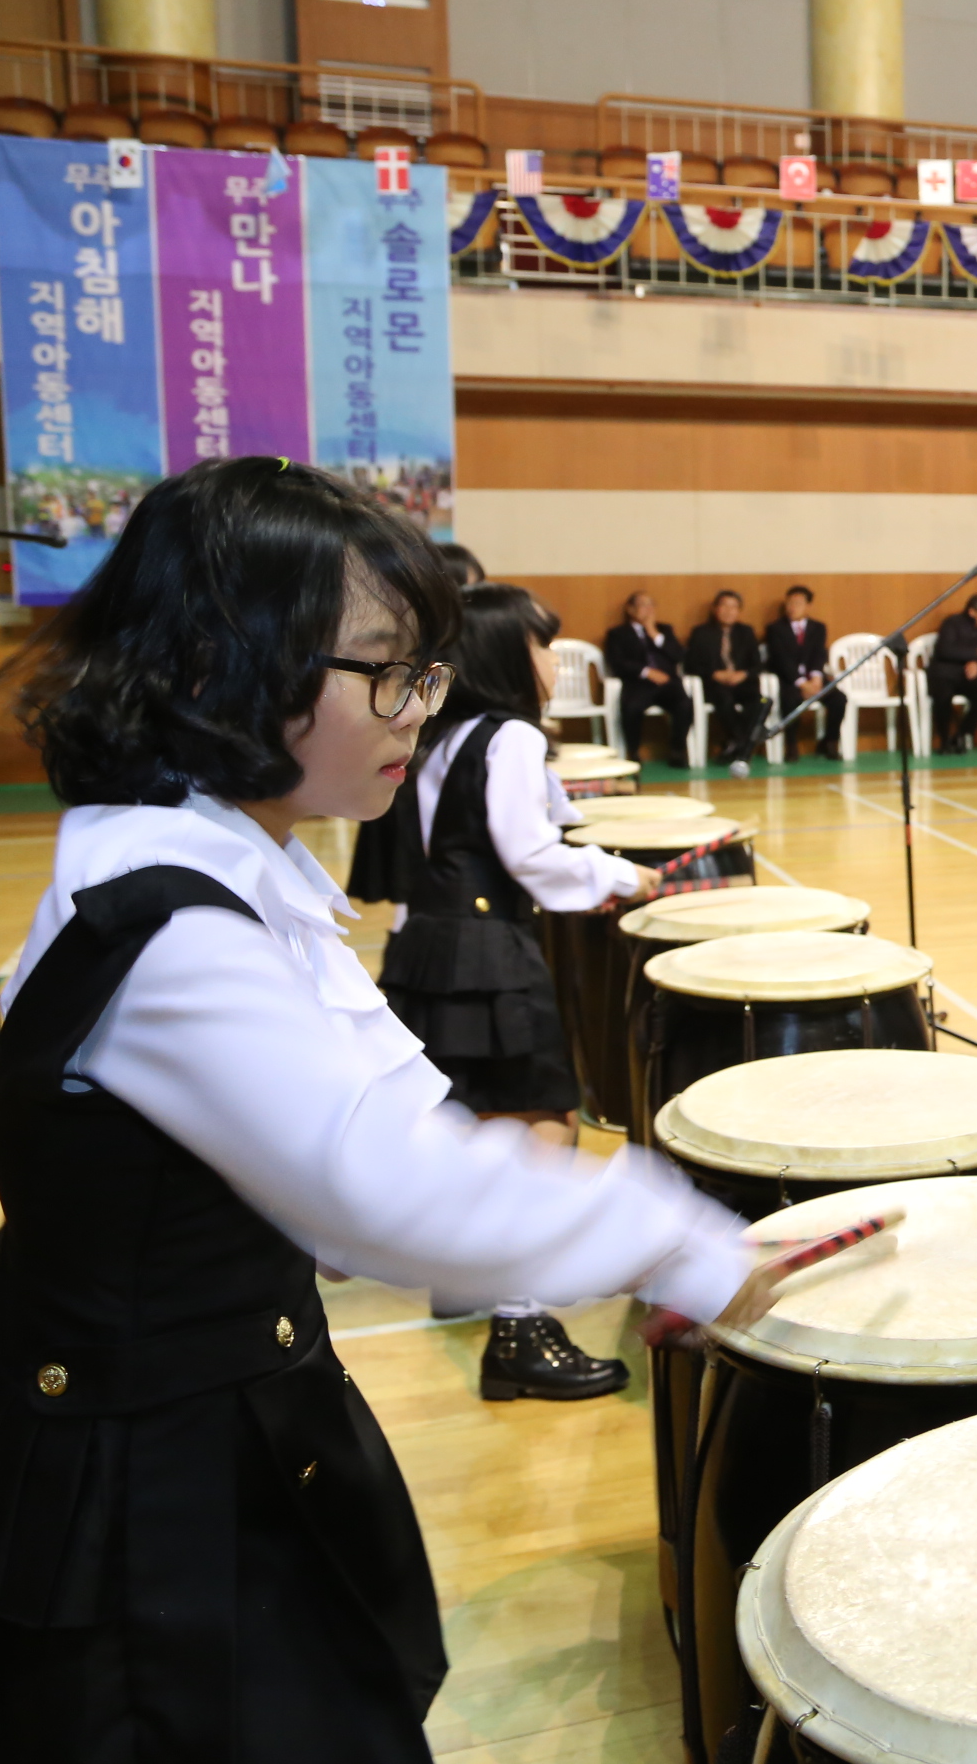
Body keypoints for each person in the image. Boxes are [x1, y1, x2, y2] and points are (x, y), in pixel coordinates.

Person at [0, 458, 771, 1756]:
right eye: (386, 671)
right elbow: (386, 1193)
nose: (416, 709)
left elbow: (400, 1107)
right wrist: (692, 1247)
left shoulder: (227, 862)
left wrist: (606, 1225)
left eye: (426, 671)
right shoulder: (168, 923)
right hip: (135, 1474)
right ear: (215, 664)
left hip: (216, 1403)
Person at [379, 581, 661, 1400]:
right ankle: (520, 1327)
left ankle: (467, 1279)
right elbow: (529, 853)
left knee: (473, 1122)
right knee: (542, 1128)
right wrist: (620, 875)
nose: (550, 662)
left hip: (427, 946)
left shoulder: (440, 732)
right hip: (488, 951)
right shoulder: (508, 737)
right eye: (541, 644)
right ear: (510, 652)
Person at [602, 589, 693, 768]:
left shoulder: (664, 630)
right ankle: (634, 752)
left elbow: (678, 656)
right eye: (643, 605)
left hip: (667, 684)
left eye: (651, 605)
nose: (648, 609)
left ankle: (677, 751)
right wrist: (646, 672)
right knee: (631, 707)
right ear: (630, 609)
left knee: (684, 705)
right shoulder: (618, 634)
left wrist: (653, 633)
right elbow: (617, 662)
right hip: (638, 683)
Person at [764, 584, 844, 761]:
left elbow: (819, 654)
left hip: (814, 678)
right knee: (789, 699)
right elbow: (780, 659)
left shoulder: (818, 627)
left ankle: (830, 742)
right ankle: (791, 744)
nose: (792, 608)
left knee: (838, 699)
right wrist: (802, 683)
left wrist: (816, 678)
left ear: (808, 606)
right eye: (789, 603)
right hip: (789, 679)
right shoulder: (775, 629)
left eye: (798, 603)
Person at [686, 588, 762, 769]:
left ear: (739, 611)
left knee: (761, 702)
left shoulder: (746, 632)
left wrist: (742, 674)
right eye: (724, 606)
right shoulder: (701, 632)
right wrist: (714, 673)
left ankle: (734, 743)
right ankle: (742, 744)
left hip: (741, 683)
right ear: (715, 609)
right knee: (724, 699)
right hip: (715, 684)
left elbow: (758, 664)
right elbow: (690, 664)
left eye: (734, 607)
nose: (729, 611)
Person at [925, 593, 977, 755]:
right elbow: (945, 650)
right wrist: (975, 653)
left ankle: (961, 734)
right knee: (943, 696)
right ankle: (944, 741)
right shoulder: (952, 623)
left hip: (966, 678)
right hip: (943, 675)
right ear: (972, 612)